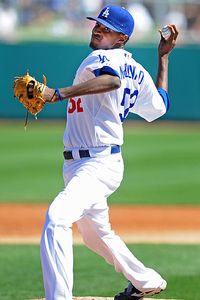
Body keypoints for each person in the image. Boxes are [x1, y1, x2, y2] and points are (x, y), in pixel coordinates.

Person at [40, 5, 178, 300]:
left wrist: (57, 93)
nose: (98, 28)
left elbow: (111, 80)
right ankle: (147, 280)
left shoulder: (101, 57)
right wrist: (162, 57)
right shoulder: (137, 70)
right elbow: (160, 106)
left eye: (107, 27)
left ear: (121, 38)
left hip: (96, 163)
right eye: (97, 23)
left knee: (57, 218)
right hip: (94, 162)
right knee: (94, 235)